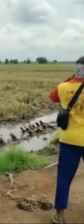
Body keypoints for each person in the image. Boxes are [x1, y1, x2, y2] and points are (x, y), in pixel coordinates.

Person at [49, 57, 84, 224]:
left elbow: (53, 97)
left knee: (64, 177)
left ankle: (60, 215)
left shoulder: (63, 87)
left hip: (68, 139)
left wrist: (70, 80)